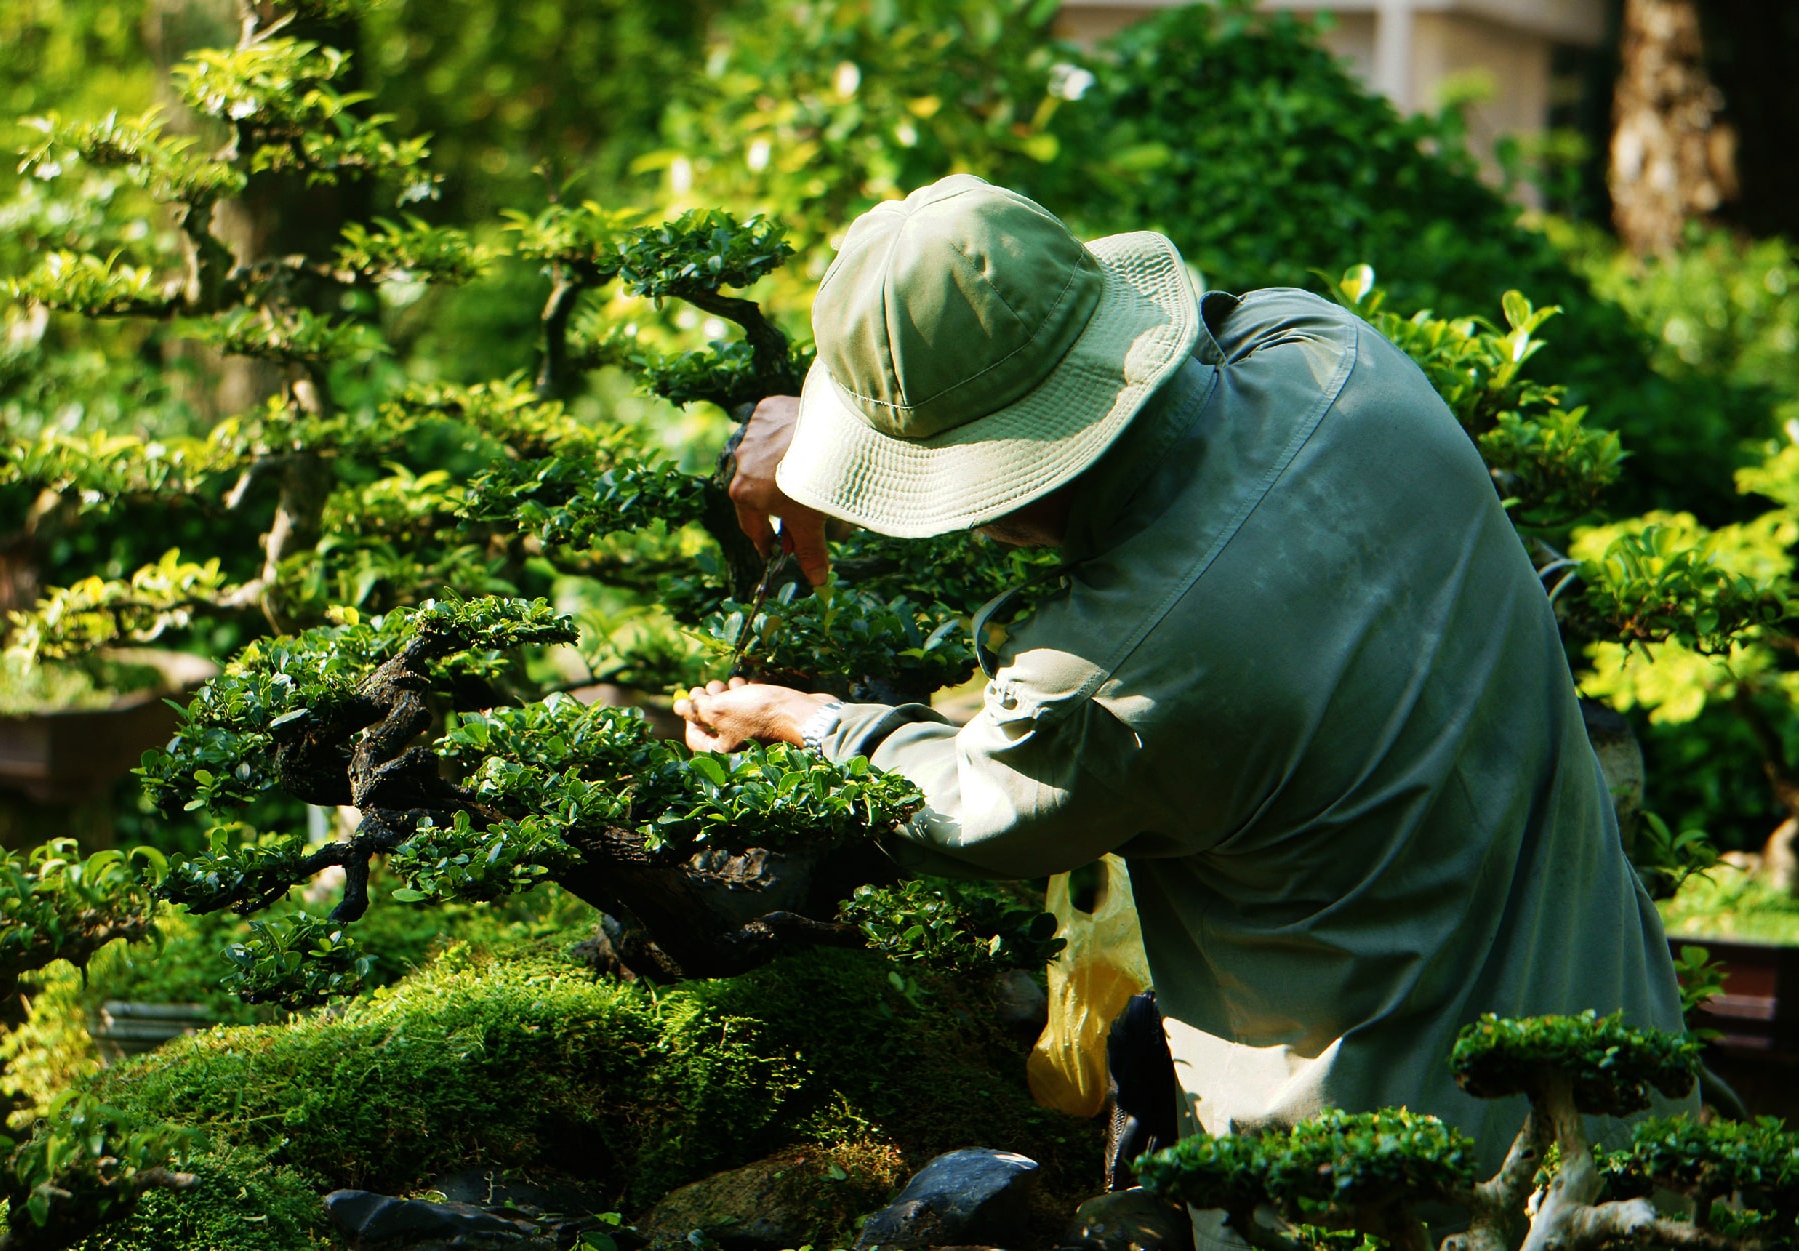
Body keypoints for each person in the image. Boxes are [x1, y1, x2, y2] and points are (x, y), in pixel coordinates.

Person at [671, 175, 1689, 1212]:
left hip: (1384, 1188)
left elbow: (971, 813)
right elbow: (1203, 356)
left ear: (987, 498)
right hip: (1623, 1083)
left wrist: (807, 720)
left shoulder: (1104, 674)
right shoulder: (1332, 353)